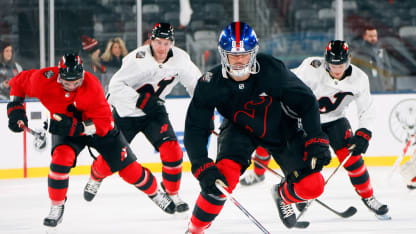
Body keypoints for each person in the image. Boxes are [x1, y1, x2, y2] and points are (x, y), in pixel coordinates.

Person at [184, 21, 332, 233]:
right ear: (222, 54)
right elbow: (195, 127)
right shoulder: (209, 83)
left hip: (281, 127)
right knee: (219, 182)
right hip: (238, 131)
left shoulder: (272, 69)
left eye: (244, 54)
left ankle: (282, 195)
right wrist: (201, 166)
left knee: (313, 186)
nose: (239, 60)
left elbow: (307, 102)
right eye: (233, 54)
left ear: (253, 52)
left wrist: (316, 137)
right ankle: (195, 229)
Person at [6, 53, 176, 228]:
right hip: (66, 127)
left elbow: (105, 123)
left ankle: (155, 193)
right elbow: (18, 83)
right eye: (67, 83)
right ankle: (56, 206)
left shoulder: (92, 85)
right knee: (60, 159)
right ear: (59, 78)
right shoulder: (43, 80)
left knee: (130, 171)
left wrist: (78, 127)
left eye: (76, 82)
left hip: (98, 129)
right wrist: (15, 111)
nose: (72, 86)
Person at [240, 40, 390, 219]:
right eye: (331, 64)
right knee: (303, 163)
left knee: (353, 159)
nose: (336, 69)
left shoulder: (359, 79)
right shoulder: (311, 68)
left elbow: (367, 110)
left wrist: (364, 132)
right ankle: (297, 191)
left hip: (335, 121)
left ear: (349, 60)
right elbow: (285, 84)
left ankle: (368, 196)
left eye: (340, 64)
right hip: (306, 122)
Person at [84, 22, 201, 213]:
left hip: (154, 112)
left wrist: (203, 107)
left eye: (166, 43)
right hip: (126, 113)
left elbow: (196, 85)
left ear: (172, 43)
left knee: (173, 152)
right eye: (158, 42)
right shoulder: (137, 58)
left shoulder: (181, 59)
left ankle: (172, 193)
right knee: (108, 162)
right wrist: (139, 101)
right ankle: (95, 176)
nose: (162, 48)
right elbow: (114, 87)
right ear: (151, 41)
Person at [351, 26, 394, 92]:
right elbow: (354, 72)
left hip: (381, 89)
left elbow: (388, 70)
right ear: (365, 37)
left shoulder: (381, 51)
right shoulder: (359, 53)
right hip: (365, 89)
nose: (373, 38)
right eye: (370, 36)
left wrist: (387, 85)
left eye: (375, 36)